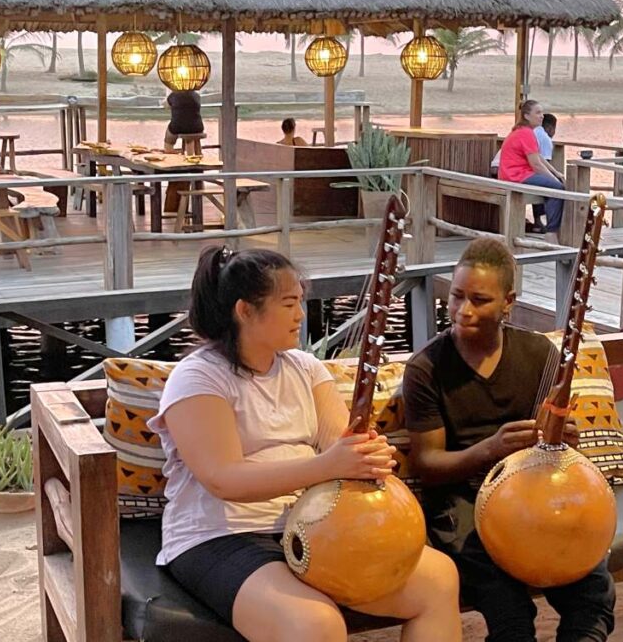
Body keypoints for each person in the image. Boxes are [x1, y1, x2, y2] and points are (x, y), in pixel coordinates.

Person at [148, 246, 462, 642]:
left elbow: (340, 444)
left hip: (317, 527)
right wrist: (329, 465)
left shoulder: (306, 369)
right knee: (314, 624)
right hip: (219, 536)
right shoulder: (198, 378)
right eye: (289, 303)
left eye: (301, 301)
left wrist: (366, 455)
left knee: (437, 580)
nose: (300, 314)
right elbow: (222, 479)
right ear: (245, 311)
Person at [402, 237, 616, 642]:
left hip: (531, 497)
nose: (462, 311)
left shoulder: (539, 354)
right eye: (457, 296)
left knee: (591, 590)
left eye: (479, 300)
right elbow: (427, 465)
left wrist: (563, 442)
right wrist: (491, 450)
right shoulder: (426, 368)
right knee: (509, 606)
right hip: (460, 502)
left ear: (508, 302)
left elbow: (559, 455)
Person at [498, 100, 566, 242]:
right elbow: (536, 165)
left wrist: (555, 173)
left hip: (512, 174)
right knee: (558, 189)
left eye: (542, 112)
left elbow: (538, 157)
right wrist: (554, 180)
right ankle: (551, 232)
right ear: (527, 116)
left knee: (554, 185)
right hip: (515, 176)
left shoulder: (523, 131)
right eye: (538, 113)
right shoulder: (526, 134)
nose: (541, 116)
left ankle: (548, 225)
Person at [530, 112, 560, 232]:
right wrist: (556, 178)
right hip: (514, 174)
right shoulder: (545, 138)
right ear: (550, 128)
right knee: (556, 186)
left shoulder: (532, 132)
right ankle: (552, 225)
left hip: (503, 171)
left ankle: (538, 221)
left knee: (542, 181)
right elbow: (543, 165)